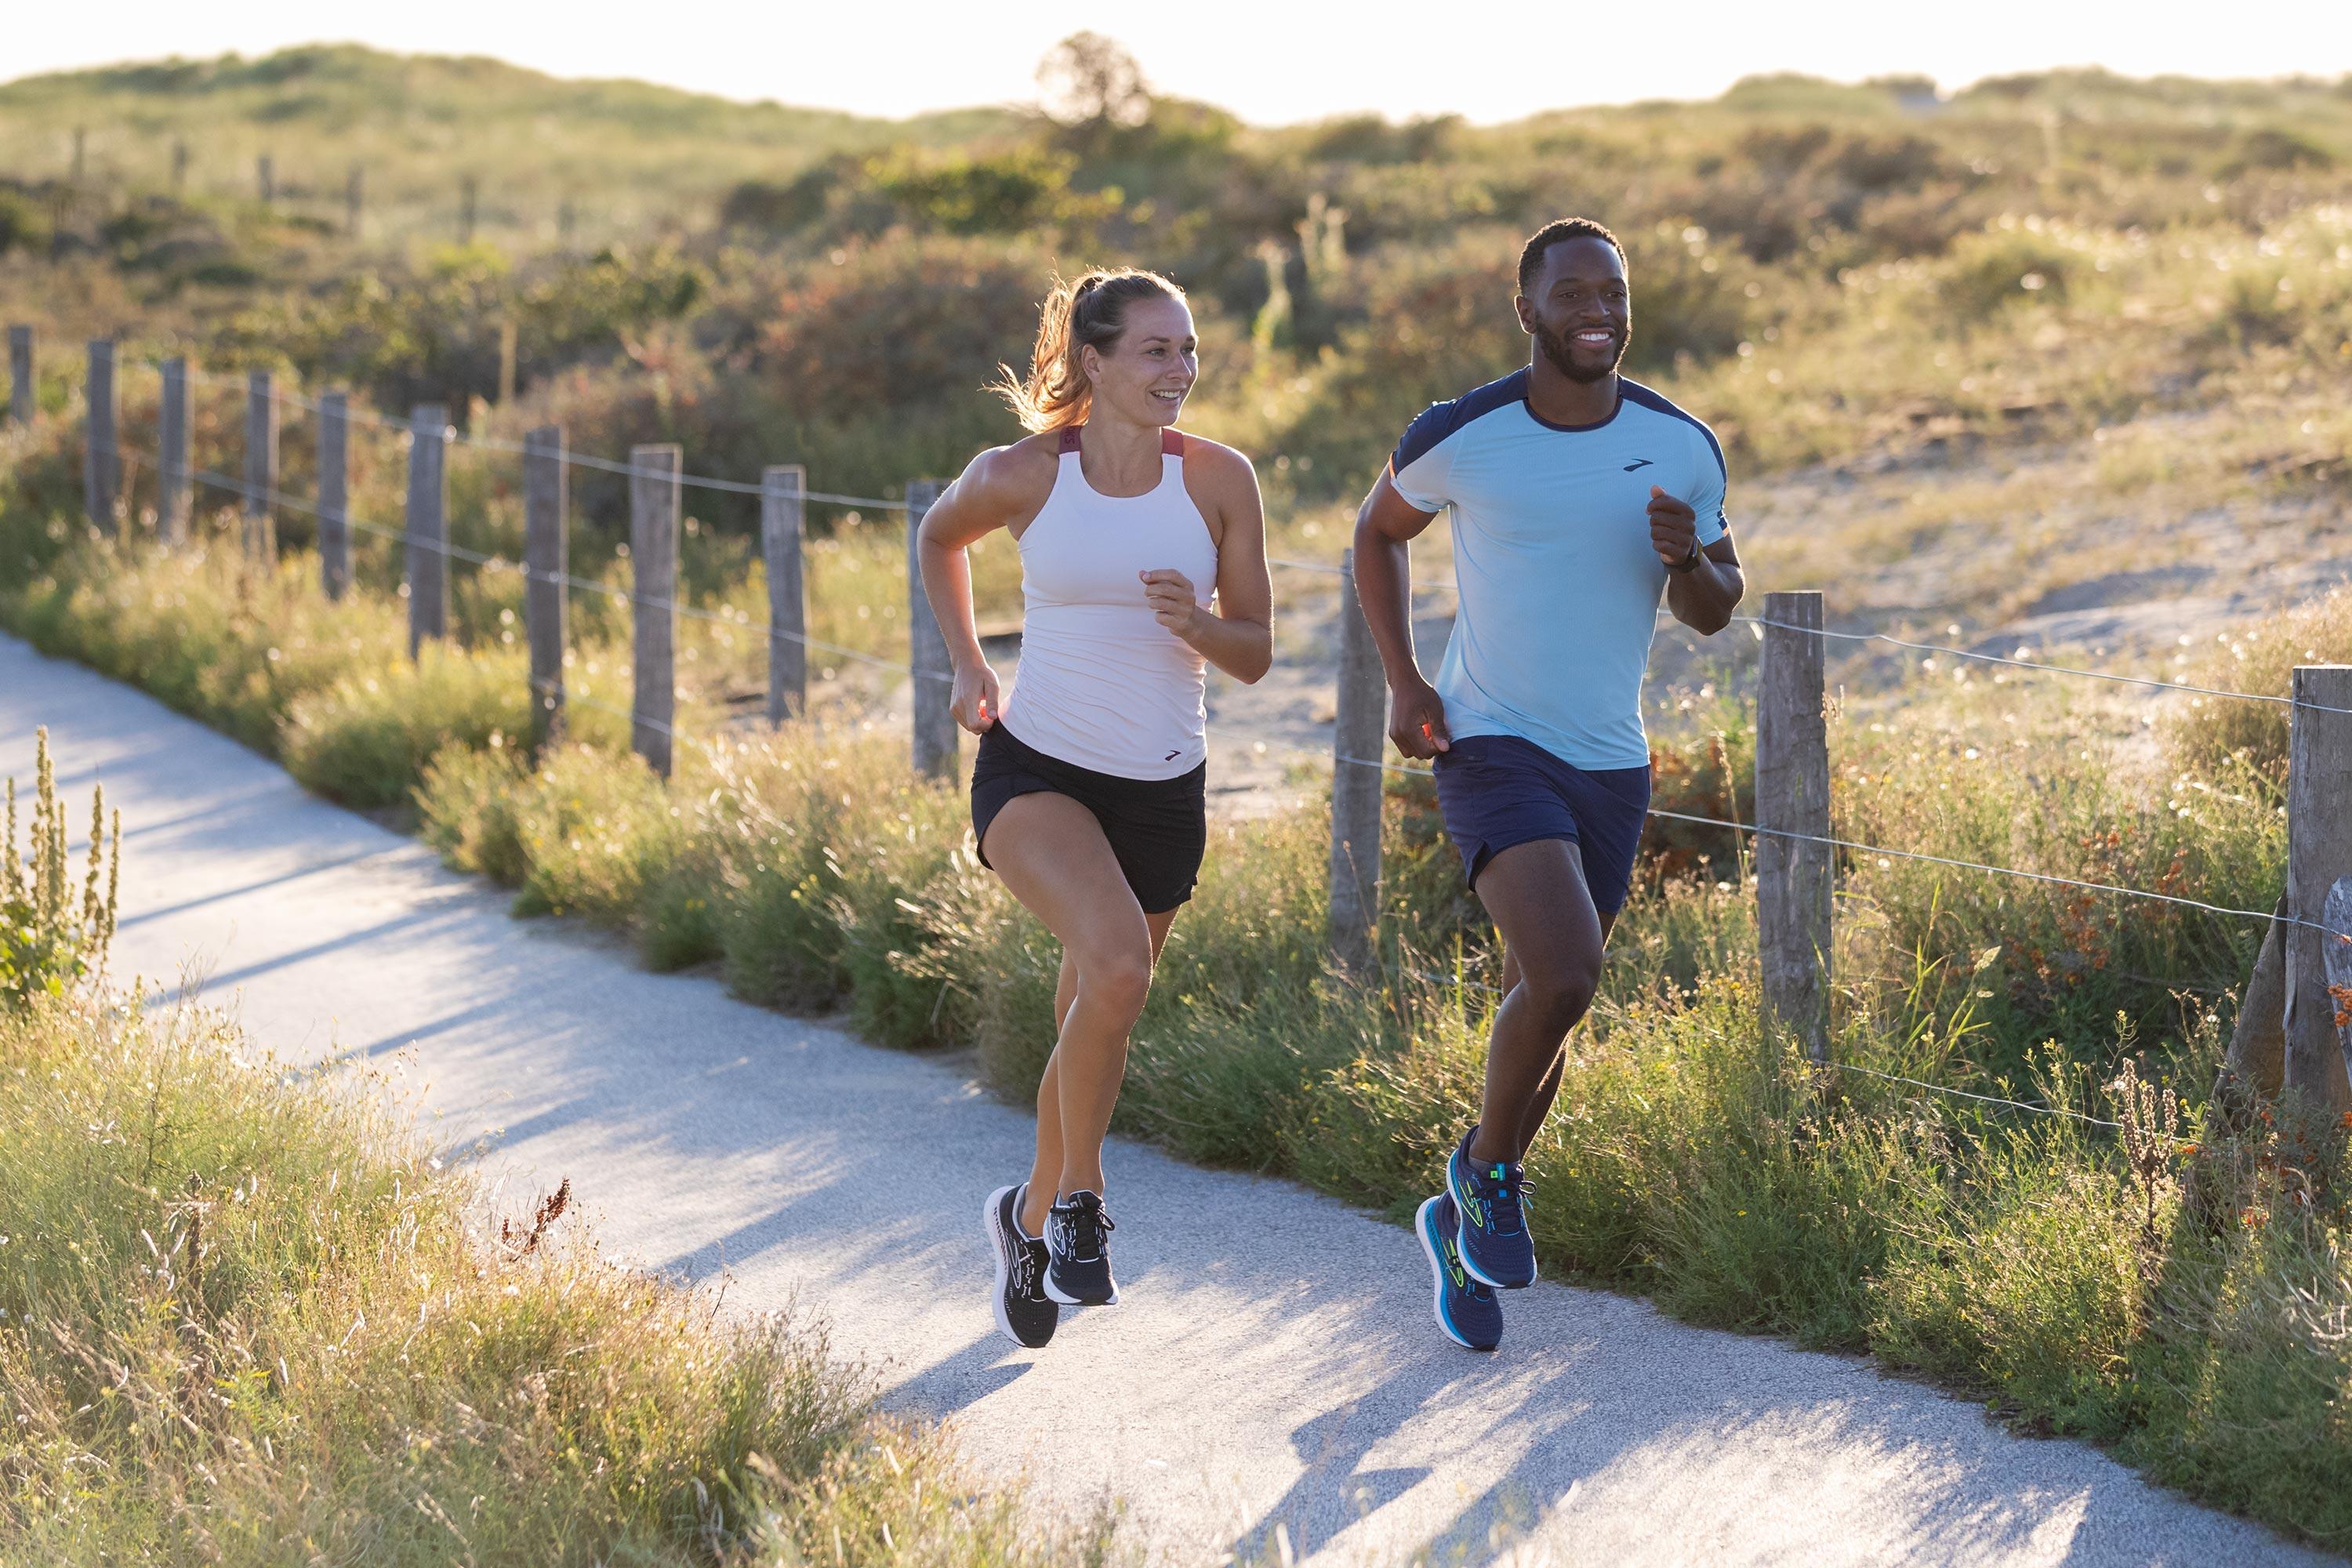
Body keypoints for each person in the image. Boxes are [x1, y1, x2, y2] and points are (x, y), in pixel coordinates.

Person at [1352, 218, 1746, 1352]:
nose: (1597, 311)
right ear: (1526, 311)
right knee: (1570, 970)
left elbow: (1717, 607)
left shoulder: (1680, 444)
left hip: (1612, 758)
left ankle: (1466, 1202)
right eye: (1572, 293)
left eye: (1613, 293)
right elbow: (1378, 536)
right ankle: (1487, 1176)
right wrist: (1403, 680)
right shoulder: (1463, 434)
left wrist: (1689, 559)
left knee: (1554, 995)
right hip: (1490, 740)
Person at [916, 268, 1273, 1350]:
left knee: (1099, 1008)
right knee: (1119, 969)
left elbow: (1255, 654)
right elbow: (939, 539)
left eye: (1190, 350)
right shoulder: (1021, 474)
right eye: (1158, 351)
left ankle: (1024, 1218)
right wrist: (970, 666)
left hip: (1165, 786)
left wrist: (1198, 624)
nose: (1181, 371)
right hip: (1038, 769)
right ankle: (1082, 1203)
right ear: (1096, 361)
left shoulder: (1220, 480)